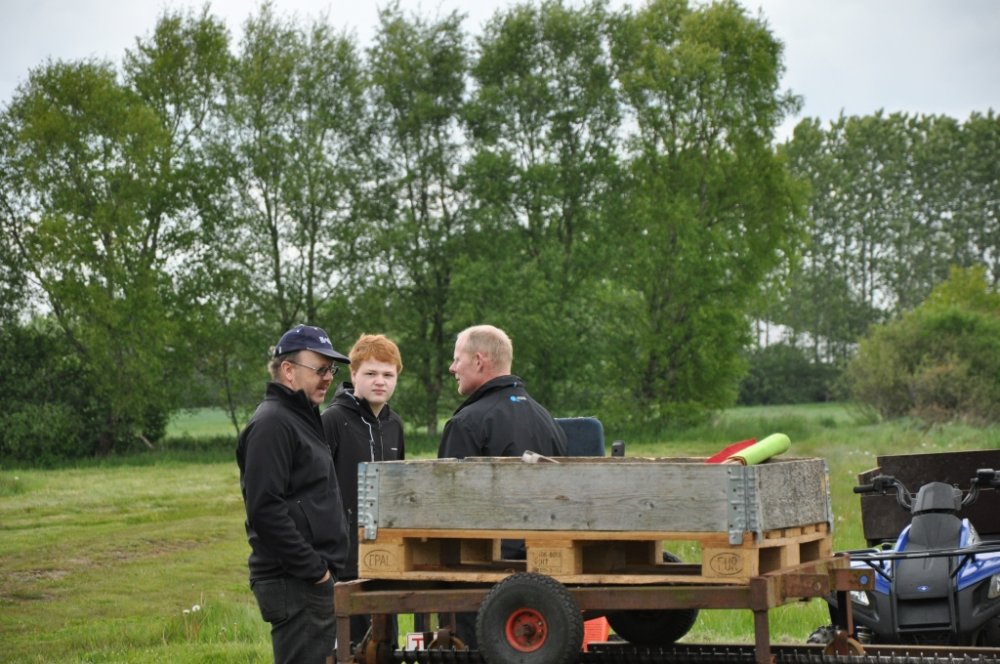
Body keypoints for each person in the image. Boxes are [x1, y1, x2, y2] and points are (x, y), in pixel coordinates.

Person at [437, 324, 567, 648]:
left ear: (479, 361)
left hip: (481, 579)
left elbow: (447, 505)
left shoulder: (467, 423)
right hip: (545, 572)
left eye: (457, 359)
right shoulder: (546, 419)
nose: (452, 368)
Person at [236, 324, 351, 664]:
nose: (328, 378)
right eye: (320, 369)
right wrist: (315, 571)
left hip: (307, 578)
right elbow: (265, 509)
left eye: (331, 370)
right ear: (288, 370)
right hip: (296, 580)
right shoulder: (273, 424)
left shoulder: (302, 417)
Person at [322, 333, 405, 648]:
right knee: (349, 646)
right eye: (370, 373)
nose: (380, 381)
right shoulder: (332, 421)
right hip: (343, 557)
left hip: (386, 554)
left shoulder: (395, 425)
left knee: (384, 644)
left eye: (388, 374)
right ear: (354, 374)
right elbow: (318, 489)